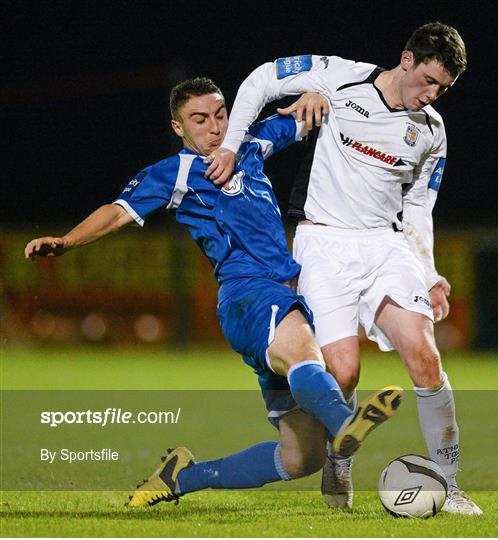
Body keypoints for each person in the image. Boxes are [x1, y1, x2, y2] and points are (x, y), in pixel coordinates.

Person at [24, 77, 403, 508]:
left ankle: (183, 476)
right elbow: (116, 213)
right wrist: (68, 242)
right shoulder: (176, 172)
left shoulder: (250, 144)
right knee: (303, 352)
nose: (215, 127)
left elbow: (308, 117)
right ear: (178, 128)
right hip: (249, 294)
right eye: (199, 120)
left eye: (220, 115)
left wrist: (320, 96)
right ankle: (345, 421)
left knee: (302, 458)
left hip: (271, 302)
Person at [204, 22, 482, 515]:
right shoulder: (340, 78)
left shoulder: (432, 130)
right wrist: (230, 146)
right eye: (428, 81)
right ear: (406, 60)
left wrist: (431, 272)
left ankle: (450, 482)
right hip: (323, 243)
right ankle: (339, 459)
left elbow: (418, 206)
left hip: (385, 246)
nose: (432, 94)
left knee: (424, 354)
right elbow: (263, 79)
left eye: (443, 88)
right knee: (343, 373)